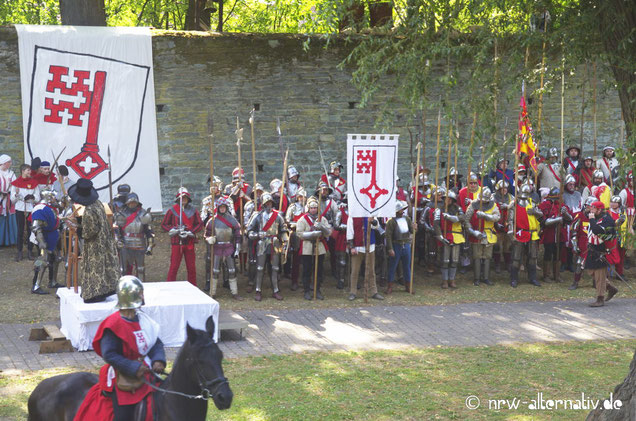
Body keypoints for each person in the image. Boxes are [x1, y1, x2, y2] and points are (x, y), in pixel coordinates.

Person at [74, 276, 166, 421]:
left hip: (146, 371)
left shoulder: (143, 319)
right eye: (140, 294)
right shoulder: (113, 324)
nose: (142, 297)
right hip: (122, 374)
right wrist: (133, 367)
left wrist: (158, 360)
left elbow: (156, 343)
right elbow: (109, 354)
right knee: (124, 414)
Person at [68, 178, 120, 302]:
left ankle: (94, 294)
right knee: (103, 266)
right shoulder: (98, 204)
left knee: (95, 268)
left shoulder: (90, 210)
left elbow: (89, 232)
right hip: (104, 241)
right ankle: (105, 290)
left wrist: (77, 229)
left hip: (95, 244)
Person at [247, 193, 289, 301]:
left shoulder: (278, 216)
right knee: (260, 268)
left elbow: (283, 230)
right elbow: (249, 231)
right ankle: (258, 290)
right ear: (263, 204)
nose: (269, 205)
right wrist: (257, 235)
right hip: (262, 243)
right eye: (267, 203)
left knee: (275, 268)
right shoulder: (257, 215)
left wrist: (285, 240)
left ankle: (275, 290)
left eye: (270, 203)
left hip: (274, 243)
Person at [162, 187, 204, 286]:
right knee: (174, 266)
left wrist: (191, 232)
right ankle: (170, 287)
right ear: (178, 199)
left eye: (185, 198)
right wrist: (173, 230)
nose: (183, 199)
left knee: (191, 267)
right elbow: (164, 224)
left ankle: (193, 287)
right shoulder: (172, 210)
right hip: (176, 242)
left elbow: (200, 224)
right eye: (181, 198)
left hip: (189, 241)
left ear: (188, 199)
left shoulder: (193, 210)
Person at [205, 196, 243, 300]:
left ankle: (234, 292)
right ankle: (212, 293)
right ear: (217, 208)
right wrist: (209, 239)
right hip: (217, 247)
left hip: (229, 247)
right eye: (220, 207)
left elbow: (238, 233)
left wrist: (237, 247)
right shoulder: (212, 221)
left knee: (231, 270)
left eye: (224, 207)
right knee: (215, 270)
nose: (222, 209)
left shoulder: (232, 219)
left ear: (226, 207)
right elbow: (207, 234)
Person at [296, 196, 332, 300]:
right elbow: (299, 233)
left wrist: (322, 227)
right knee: (307, 270)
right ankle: (307, 290)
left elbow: (328, 233)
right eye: (311, 208)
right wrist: (312, 234)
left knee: (319, 270)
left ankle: (317, 289)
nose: (313, 210)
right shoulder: (302, 219)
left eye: (315, 208)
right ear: (308, 208)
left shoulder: (322, 219)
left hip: (319, 247)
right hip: (307, 246)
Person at [508, 183, 543, 287]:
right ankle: (514, 279)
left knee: (533, 257)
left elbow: (540, 215)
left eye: (526, 193)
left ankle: (532, 278)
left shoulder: (532, 203)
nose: (524, 195)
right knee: (516, 257)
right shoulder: (513, 204)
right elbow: (510, 221)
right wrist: (511, 234)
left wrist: (535, 212)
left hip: (531, 233)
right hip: (519, 232)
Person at [114, 193, 154, 281]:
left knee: (140, 269)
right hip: (125, 244)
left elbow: (149, 231)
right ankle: (124, 288)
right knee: (123, 270)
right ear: (127, 203)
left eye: (134, 202)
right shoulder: (121, 214)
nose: (132, 204)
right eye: (130, 203)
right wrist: (118, 241)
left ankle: (141, 287)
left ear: (137, 203)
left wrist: (150, 245)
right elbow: (116, 230)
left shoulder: (143, 214)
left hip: (140, 244)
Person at [465, 187, 500, 286]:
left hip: (489, 234)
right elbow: (466, 220)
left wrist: (485, 215)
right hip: (477, 234)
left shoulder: (493, 205)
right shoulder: (473, 205)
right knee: (477, 257)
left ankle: (486, 278)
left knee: (487, 257)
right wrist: (473, 232)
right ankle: (476, 278)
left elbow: (497, 217)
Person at [30, 189, 63, 294]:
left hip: (52, 236)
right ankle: (36, 285)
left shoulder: (51, 208)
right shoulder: (40, 208)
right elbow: (36, 227)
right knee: (42, 261)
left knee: (56, 258)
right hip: (42, 237)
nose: (55, 199)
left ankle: (52, 281)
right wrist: (41, 242)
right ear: (48, 197)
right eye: (53, 197)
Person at [586, 201, 619, 307]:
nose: (591, 211)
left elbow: (596, 230)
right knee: (591, 272)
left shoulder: (607, 220)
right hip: (592, 249)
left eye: (593, 209)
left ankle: (600, 299)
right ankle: (611, 288)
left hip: (601, 250)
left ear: (599, 210)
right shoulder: (596, 217)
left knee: (600, 276)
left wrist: (591, 219)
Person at [538, 187, 573, 283]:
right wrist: (557, 219)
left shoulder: (561, 205)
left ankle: (557, 275)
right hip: (549, 233)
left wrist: (565, 214)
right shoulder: (545, 205)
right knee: (548, 254)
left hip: (560, 233)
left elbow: (570, 219)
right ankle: (546, 275)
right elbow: (543, 221)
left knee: (558, 255)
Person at [346, 215, 384, 301]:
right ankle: (353, 292)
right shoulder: (353, 215)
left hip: (370, 246)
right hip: (357, 247)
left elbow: (377, 226)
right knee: (355, 271)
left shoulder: (371, 213)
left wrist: (373, 221)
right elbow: (349, 232)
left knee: (371, 271)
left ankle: (374, 292)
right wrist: (351, 247)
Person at [434, 187, 465, 289]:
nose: (447, 200)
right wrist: (440, 237)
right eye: (445, 198)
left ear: (452, 200)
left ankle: (452, 280)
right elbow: (436, 224)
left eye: (449, 199)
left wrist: (451, 218)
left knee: (455, 260)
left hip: (456, 235)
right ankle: (445, 281)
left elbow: (462, 218)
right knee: (445, 260)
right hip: (445, 235)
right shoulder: (439, 210)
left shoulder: (458, 208)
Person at [10, 163, 39, 261]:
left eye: (30, 170)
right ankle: (19, 252)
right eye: (28, 170)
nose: (30, 172)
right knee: (20, 231)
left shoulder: (34, 183)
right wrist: (17, 194)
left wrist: (32, 198)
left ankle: (30, 251)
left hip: (30, 209)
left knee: (31, 230)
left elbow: (37, 197)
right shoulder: (16, 183)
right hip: (20, 209)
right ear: (23, 171)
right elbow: (12, 200)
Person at [385, 200, 414, 294]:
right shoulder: (391, 222)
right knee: (392, 267)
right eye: (400, 210)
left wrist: (414, 228)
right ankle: (389, 286)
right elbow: (388, 236)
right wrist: (390, 248)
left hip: (406, 245)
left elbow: (411, 231)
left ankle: (408, 286)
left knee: (407, 267)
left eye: (402, 209)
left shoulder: (407, 219)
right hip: (396, 245)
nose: (402, 211)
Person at [569, 197, 596, 290]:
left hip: (594, 243)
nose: (591, 209)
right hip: (582, 243)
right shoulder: (580, 216)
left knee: (596, 263)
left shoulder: (597, 217)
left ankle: (596, 282)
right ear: (586, 206)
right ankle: (575, 282)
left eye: (593, 207)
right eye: (590, 206)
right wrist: (575, 245)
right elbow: (574, 232)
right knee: (579, 264)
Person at [285, 187, 307, 291]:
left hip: (307, 235)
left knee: (307, 261)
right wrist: (299, 225)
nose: (302, 198)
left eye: (304, 197)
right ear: (297, 197)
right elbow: (287, 221)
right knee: (296, 261)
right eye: (300, 197)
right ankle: (294, 281)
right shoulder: (293, 207)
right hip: (296, 236)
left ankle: (306, 281)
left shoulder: (309, 207)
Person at [493, 180, 514, 273]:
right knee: (497, 246)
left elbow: (515, 209)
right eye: (502, 188)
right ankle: (497, 264)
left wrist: (508, 206)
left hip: (507, 223)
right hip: (496, 224)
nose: (504, 190)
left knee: (508, 246)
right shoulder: (493, 197)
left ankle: (508, 263)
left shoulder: (511, 197)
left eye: (506, 188)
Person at [0, 154, 17, 246]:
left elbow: (15, 185)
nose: (10, 164)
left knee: (10, 219)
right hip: (1, 200)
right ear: (3, 163)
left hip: (9, 199)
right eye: (8, 162)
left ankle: (10, 241)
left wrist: (11, 193)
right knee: (1, 219)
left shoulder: (11, 174)